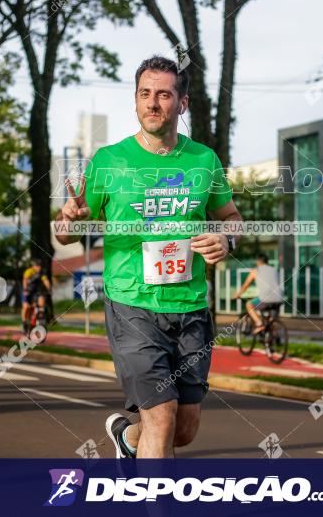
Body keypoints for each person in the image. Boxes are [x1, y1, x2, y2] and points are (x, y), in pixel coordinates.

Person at [55, 55, 242, 458]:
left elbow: (230, 217)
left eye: (163, 94)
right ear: (135, 101)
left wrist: (227, 240)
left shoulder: (203, 161)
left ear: (182, 103)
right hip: (131, 304)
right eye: (145, 94)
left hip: (190, 306)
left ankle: (126, 438)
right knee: (161, 413)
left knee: (184, 426)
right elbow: (67, 233)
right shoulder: (109, 161)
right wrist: (69, 217)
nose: (153, 103)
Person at [232, 254, 284, 334]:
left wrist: (238, 294)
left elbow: (246, 285)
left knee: (249, 304)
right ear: (267, 262)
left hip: (265, 299)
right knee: (271, 322)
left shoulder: (256, 270)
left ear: (258, 262)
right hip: (279, 298)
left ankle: (259, 324)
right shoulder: (274, 270)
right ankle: (273, 337)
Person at [21, 260, 51, 335]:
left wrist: (49, 289)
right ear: (33, 266)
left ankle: (41, 318)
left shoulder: (42, 273)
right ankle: (24, 323)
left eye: (40, 266)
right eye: (37, 266)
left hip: (37, 292)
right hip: (28, 291)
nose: (39, 267)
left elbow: (46, 281)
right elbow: (25, 280)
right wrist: (25, 289)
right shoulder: (29, 271)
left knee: (41, 303)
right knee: (26, 307)